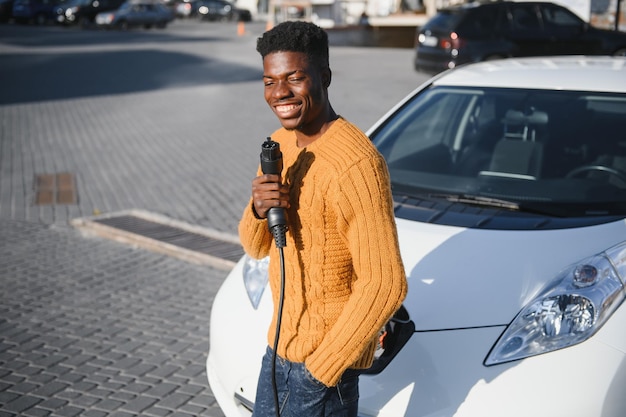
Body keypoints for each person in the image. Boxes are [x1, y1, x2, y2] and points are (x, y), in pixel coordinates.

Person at [238, 20, 408, 417]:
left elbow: (385, 283)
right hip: (278, 353)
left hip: (323, 371)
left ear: (324, 76)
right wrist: (258, 209)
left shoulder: (356, 163)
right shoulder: (278, 143)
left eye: (294, 78)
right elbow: (256, 246)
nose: (280, 92)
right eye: (269, 81)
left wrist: (320, 372)